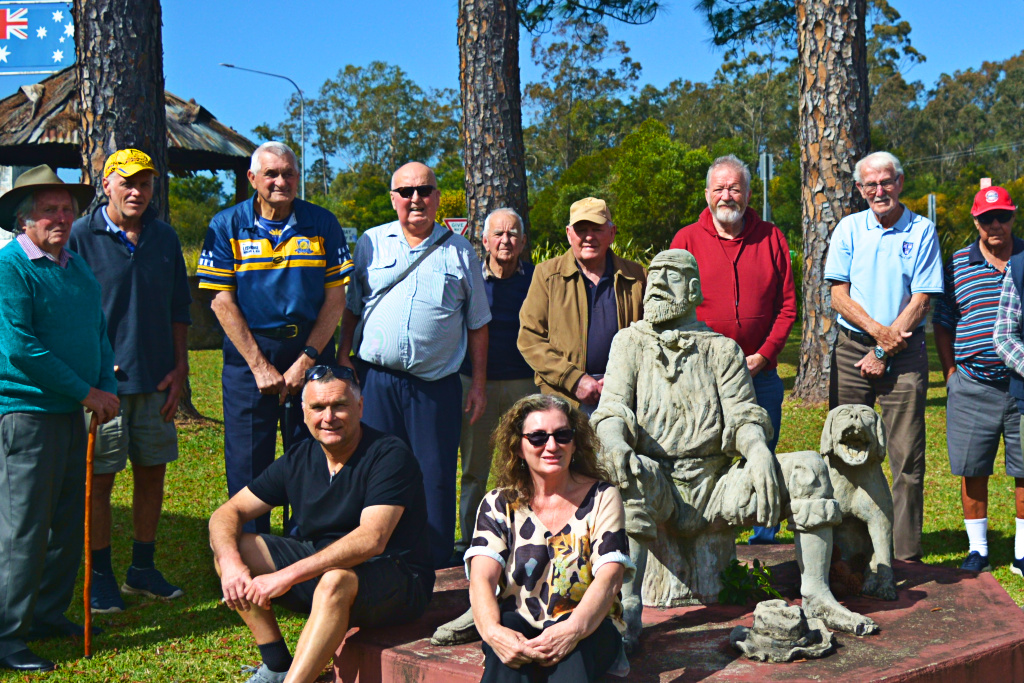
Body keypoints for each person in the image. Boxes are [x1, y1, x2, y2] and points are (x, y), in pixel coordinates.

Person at [592, 249, 878, 650]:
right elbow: (612, 410)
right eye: (653, 275)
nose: (656, 284)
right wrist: (615, 443)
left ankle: (817, 594)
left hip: (716, 484)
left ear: (693, 289)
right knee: (627, 474)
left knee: (809, 468)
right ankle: (627, 608)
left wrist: (757, 450)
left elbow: (743, 415)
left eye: (670, 276)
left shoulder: (722, 349)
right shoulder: (629, 343)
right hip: (657, 482)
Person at [209, 365, 433, 683]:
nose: (328, 417)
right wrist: (231, 565)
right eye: (318, 407)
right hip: (323, 569)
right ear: (304, 413)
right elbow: (227, 513)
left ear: (360, 407)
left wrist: (286, 576)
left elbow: (372, 539)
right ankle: (276, 665)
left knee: (334, 580)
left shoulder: (389, 454)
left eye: (339, 405)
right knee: (235, 549)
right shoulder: (299, 458)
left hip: (397, 578)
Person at [338, 161, 490, 569]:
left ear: (437, 198)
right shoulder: (370, 242)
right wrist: (342, 356)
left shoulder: (460, 251)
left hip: (434, 386)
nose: (416, 198)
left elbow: (478, 323)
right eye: (406, 192)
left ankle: (434, 561)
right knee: (376, 468)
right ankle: (377, 554)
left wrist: (478, 384)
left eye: (424, 190)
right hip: (376, 381)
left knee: (434, 475)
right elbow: (352, 308)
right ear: (394, 199)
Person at [199, 141, 354, 533]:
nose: (280, 181)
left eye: (288, 173)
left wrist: (306, 360)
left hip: (311, 349)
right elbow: (221, 301)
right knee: (248, 459)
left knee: (315, 451)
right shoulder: (227, 224)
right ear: (252, 178)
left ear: (298, 178)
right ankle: (253, 549)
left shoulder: (322, 223)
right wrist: (259, 366)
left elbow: (336, 298)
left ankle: (309, 544)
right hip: (250, 354)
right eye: (271, 174)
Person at [0, 166, 119, 672]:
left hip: (73, 413)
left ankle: (46, 615)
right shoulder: (10, 266)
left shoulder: (75, 266)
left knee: (67, 525)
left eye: (67, 209)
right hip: (27, 414)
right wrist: (87, 391)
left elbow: (98, 333)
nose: (62, 218)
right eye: (49, 210)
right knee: (24, 530)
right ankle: (6, 636)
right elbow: (19, 348)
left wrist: (106, 390)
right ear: (24, 219)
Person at [68, 149, 192, 612]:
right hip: (104, 387)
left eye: (145, 182)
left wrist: (180, 369)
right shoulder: (80, 236)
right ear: (107, 185)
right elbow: (66, 308)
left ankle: (142, 568)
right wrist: (88, 370)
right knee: (99, 482)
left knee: (151, 474)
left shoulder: (164, 237)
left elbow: (180, 308)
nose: (137, 191)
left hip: (156, 382)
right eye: (127, 182)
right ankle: (100, 576)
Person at [670, 154, 797, 545]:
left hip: (760, 372)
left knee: (761, 449)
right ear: (707, 194)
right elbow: (673, 306)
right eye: (720, 188)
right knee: (704, 453)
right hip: (702, 375)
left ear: (748, 194)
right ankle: (708, 534)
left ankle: (764, 534)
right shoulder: (686, 240)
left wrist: (765, 354)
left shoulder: (771, 237)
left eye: (735, 188)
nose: (727, 196)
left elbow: (787, 306)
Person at [823, 151, 943, 562]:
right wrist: (877, 337)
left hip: (905, 355)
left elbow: (922, 299)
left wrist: (883, 348)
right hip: (852, 350)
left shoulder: (922, 230)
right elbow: (838, 296)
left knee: (906, 457)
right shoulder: (849, 228)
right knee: (844, 450)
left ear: (900, 182)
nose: (879, 190)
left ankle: (904, 553)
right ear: (860, 189)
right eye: (870, 184)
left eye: (886, 181)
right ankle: (849, 549)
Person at [467, 393, 633, 681]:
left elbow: (610, 577)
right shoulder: (498, 503)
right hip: (519, 620)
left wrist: (572, 629)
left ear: (575, 442)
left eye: (562, 435)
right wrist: (494, 634)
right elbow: (482, 578)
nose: (552, 446)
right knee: (506, 646)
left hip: (587, 625)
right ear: (518, 447)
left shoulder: (602, 497)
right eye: (538, 437)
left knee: (572, 659)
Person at [936, 185, 1024, 574]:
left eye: (1002, 216)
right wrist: (950, 374)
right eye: (987, 219)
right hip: (972, 384)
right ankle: (978, 549)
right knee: (973, 468)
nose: (995, 225)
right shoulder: (958, 263)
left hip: (1021, 384)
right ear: (976, 222)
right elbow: (943, 321)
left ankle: (1022, 553)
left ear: (1013, 217)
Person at [455, 208, 536, 562]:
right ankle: (469, 540)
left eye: (513, 233)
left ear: (523, 241)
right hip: (476, 384)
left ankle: (524, 535)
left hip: (524, 383)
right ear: (485, 241)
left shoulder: (536, 280)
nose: (506, 240)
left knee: (526, 463)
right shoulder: (469, 278)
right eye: (499, 234)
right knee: (475, 466)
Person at [518, 197, 646, 413]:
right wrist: (574, 380)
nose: (589, 237)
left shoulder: (638, 276)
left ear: (612, 233)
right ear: (569, 234)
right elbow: (530, 338)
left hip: (625, 395)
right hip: (563, 398)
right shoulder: (547, 275)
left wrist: (621, 378)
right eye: (581, 230)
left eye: (597, 229)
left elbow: (652, 336)